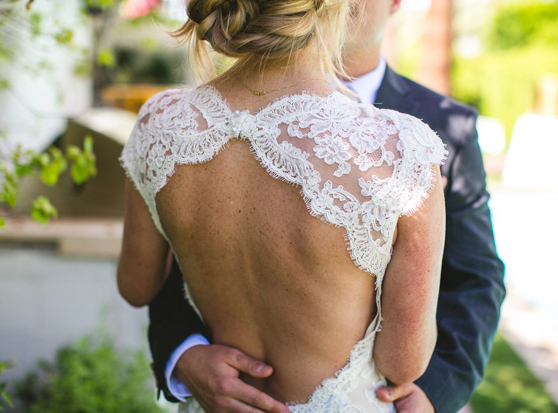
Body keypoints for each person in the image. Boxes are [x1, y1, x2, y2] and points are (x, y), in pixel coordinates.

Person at [145, 0, 506, 412]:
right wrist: (182, 352)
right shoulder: (185, 125)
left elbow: (477, 276)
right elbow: (168, 259)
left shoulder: (442, 128)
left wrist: (435, 394)